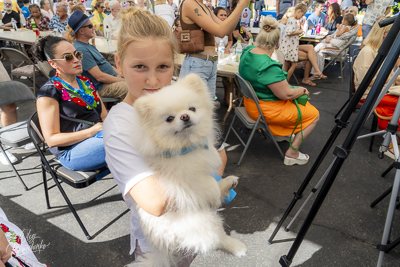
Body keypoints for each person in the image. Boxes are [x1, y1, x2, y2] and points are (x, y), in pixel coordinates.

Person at [103, 7, 228, 263]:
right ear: (118, 63)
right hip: (159, 242)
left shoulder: (176, 98)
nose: (153, 80)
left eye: (163, 66)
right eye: (139, 66)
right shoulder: (120, 124)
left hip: (192, 228)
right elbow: (155, 203)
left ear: (174, 63)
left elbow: (218, 152)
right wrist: (204, 178)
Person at [239, 16, 319, 166]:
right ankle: (292, 153)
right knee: (314, 114)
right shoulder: (268, 65)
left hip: (251, 103)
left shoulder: (248, 51)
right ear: (277, 42)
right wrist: (302, 89)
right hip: (266, 110)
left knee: (300, 105)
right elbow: (286, 94)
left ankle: (284, 134)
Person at [33, 35, 108, 171]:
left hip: (100, 138)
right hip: (72, 151)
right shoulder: (49, 93)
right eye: (68, 57)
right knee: (127, 141)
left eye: (77, 54)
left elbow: (104, 116)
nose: (76, 60)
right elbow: (51, 140)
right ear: (53, 64)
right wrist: (91, 131)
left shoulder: (85, 82)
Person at [179, 0, 251, 102]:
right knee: (194, 110)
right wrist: (242, 4)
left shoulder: (203, 6)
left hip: (208, 63)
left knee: (206, 110)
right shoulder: (189, 3)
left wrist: (240, 6)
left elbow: (228, 30)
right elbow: (220, 31)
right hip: (197, 64)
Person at [353, 20, 400, 158]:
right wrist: (391, 79)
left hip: (383, 90)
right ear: (385, 34)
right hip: (370, 94)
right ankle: (391, 142)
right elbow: (365, 82)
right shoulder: (368, 51)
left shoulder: (382, 50)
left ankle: (392, 139)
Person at [67, 10, 128, 100]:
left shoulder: (87, 45)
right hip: (103, 86)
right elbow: (100, 77)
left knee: (137, 79)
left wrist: (122, 75)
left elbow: (106, 64)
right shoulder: (81, 49)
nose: (94, 28)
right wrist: (123, 80)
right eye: (90, 26)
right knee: (133, 87)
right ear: (81, 31)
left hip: (112, 79)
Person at [280, 3, 327, 83]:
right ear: (299, 11)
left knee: (310, 48)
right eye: (302, 15)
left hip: (291, 45)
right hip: (290, 47)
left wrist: (300, 29)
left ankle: (316, 70)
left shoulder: (292, 20)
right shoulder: (292, 20)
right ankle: (285, 82)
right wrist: (299, 31)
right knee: (295, 63)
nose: (301, 17)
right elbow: (289, 32)